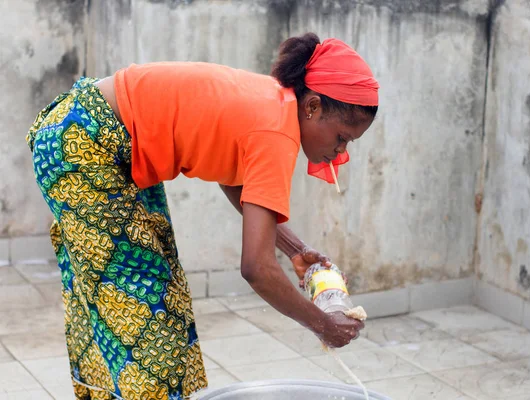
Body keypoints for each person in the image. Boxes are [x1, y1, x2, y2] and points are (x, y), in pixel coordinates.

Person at [26, 32, 379, 400]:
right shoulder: (277, 130)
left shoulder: (272, 104)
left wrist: (293, 248)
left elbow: (233, 177)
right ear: (313, 107)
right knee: (145, 321)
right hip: (86, 143)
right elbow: (256, 268)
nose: (340, 151)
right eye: (343, 137)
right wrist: (322, 324)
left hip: (96, 136)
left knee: (150, 304)